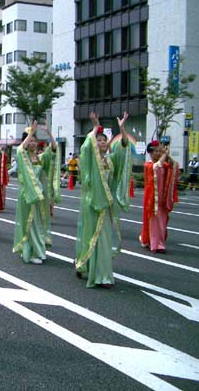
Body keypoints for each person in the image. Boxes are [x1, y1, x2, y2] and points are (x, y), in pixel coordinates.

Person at [76, 112, 131, 288]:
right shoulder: (90, 160)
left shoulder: (111, 160)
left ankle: (102, 275)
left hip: (106, 205)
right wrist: (95, 126)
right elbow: (86, 148)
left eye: (104, 140)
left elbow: (123, 148)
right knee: (89, 237)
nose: (102, 142)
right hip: (92, 203)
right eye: (99, 140)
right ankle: (85, 264)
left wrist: (122, 129)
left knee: (104, 239)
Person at [13, 122, 60, 265]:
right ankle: (31, 252)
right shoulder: (23, 156)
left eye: (34, 140)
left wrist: (49, 133)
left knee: (38, 223)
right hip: (27, 195)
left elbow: (53, 150)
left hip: (39, 196)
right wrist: (30, 133)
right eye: (30, 140)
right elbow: (20, 150)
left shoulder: (40, 158)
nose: (33, 143)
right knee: (29, 224)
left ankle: (37, 251)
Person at [139, 140, 179, 253]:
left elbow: (174, 166)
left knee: (162, 221)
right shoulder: (148, 165)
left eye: (159, 151)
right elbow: (156, 168)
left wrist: (167, 155)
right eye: (156, 151)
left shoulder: (164, 164)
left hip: (163, 198)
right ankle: (156, 244)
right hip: (152, 197)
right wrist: (164, 155)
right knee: (154, 221)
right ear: (150, 153)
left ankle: (154, 241)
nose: (158, 153)